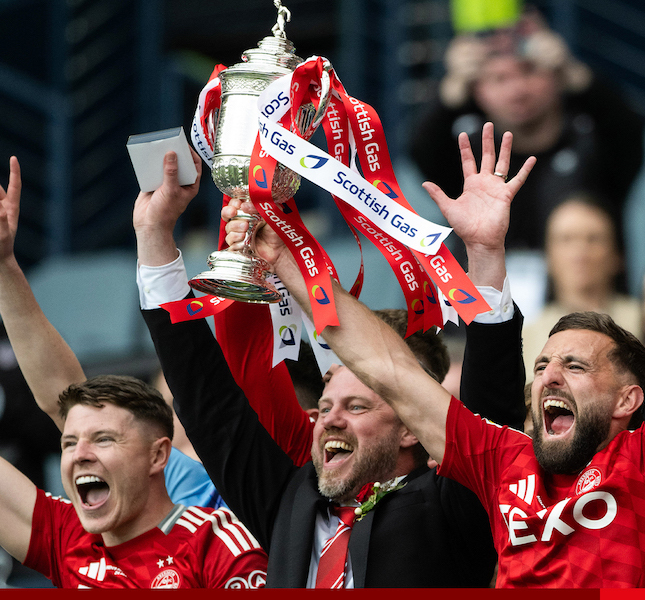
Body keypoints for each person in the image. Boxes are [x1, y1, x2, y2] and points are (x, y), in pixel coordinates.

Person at [229, 116, 645, 586]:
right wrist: (287, 263)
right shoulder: (505, 461)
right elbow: (389, 370)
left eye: (575, 365)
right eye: (541, 365)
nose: (549, 377)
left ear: (628, 399)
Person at [135, 149, 506, 587]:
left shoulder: (456, 506)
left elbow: (491, 410)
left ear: (412, 426)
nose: (328, 419)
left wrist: (483, 256)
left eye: (356, 407)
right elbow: (205, 398)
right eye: (327, 405)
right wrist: (154, 232)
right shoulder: (286, 503)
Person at [0, 155, 223, 511]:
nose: (82, 454)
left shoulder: (227, 487)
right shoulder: (140, 482)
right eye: (165, 405)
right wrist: (3, 264)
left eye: (178, 408)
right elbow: (66, 398)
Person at [0, 373, 267, 588]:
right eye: (69, 443)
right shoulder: (69, 537)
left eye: (104, 439)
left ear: (158, 455)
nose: (79, 455)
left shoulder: (216, 546)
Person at [411, 14, 644, 253]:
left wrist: (572, 72)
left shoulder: (592, 141)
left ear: (556, 77)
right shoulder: (468, 151)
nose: (517, 90)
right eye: (499, 78)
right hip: (481, 287)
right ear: (477, 91)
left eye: (529, 71)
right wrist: (453, 88)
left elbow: (628, 134)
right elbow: (423, 152)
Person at [521, 197, 642, 374]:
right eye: (566, 239)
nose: (580, 253)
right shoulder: (524, 338)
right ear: (547, 257)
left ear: (617, 255)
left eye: (593, 239)